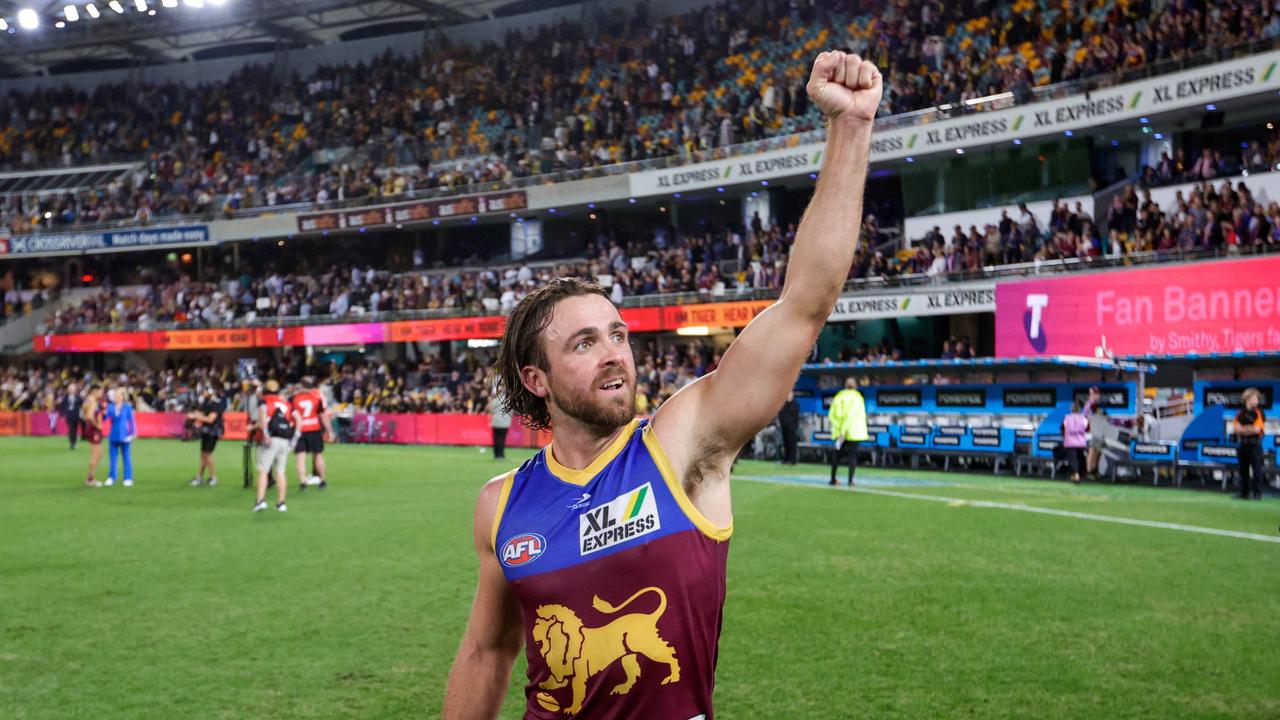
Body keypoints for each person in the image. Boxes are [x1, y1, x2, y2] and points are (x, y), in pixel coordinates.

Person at [443, 50, 882, 720]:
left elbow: (805, 303)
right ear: (537, 379)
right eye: (585, 343)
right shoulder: (500, 506)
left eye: (618, 334)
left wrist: (850, 130)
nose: (615, 353)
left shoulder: (683, 442)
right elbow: (486, 652)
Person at [254, 380, 293, 513]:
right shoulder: (285, 403)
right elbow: (296, 419)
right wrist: (295, 438)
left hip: (271, 439)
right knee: (281, 472)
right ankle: (281, 503)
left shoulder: (264, 400)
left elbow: (262, 419)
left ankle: (260, 501)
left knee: (263, 471)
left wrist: (265, 434)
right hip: (284, 439)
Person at [291, 377, 335, 490]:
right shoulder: (316, 398)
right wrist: (330, 431)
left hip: (299, 429)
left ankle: (303, 483)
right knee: (318, 455)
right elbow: (323, 415)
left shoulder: (294, 398)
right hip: (314, 428)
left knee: (300, 457)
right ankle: (322, 480)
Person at [828, 377, 868, 485]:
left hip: (839, 433)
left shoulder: (839, 396)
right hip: (853, 433)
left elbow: (831, 415)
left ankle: (832, 479)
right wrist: (844, 431)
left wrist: (840, 430)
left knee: (837, 455)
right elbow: (851, 416)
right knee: (852, 456)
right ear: (855, 385)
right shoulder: (857, 397)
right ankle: (850, 480)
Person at [188, 384, 226, 487]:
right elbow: (202, 414)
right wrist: (196, 414)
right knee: (203, 455)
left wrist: (197, 416)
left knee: (208, 455)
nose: (202, 394)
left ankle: (213, 478)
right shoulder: (206, 402)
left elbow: (211, 419)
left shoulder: (215, 403)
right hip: (206, 430)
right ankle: (199, 477)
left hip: (213, 431)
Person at [1233, 388, 1266, 500]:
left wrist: (1244, 429)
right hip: (1243, 445)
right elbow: (1236, 429)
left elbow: (1257, 429)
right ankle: (1244, 492)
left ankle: (1257, 493)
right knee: (1243, 470)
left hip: (1255, 445)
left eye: (1257, 398)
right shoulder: (1240, 413)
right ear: (1248, 399)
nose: (1256, 400)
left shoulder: (1259, 412)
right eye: (1254, 398)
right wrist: (1248, 429)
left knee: (1257, 470)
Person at [104, 385, 136, 487]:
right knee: (112, 458)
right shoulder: (110, 407)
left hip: (124, 436)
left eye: (118, 395)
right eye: (115, 395)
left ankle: (128, 478)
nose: (116, 397)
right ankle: (112, 477)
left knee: (126, 457)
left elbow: (131, 421)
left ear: (122, 396)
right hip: (113, 435)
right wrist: (102, 412)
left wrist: (132, 434)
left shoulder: (127, 407)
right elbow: (105, 418)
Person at [81, 385, 105, 487]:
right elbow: (89, 416)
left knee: (99, 453)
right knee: (96, 454)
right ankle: (90, 479)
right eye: (100, 391)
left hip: (90, 429)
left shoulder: (88, 400)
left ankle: (91, 477)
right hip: (93, 430)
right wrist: (98, 425)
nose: (102, 394)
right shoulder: (93, 401)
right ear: (95, 391)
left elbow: (84, 413)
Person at [1061, 400, 1090, 484]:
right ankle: (1075, 476)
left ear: (1072, 409)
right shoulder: (1084, 418)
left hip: (1069, 442)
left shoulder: (1066, 417)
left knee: (1072, 460)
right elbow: (1087, 429)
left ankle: (1075, 475)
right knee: (1079, 460)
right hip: (1081, 443)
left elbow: (1062, 429)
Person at [490, 374, 512, 460]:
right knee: (502, 439)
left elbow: (491, 410)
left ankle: (496, 454)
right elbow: (512, 411)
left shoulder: (495, 400)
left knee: (496, 439)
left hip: (495, 422)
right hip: (504, 422)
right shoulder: (509, 400)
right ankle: (501, 455)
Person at [778, 390, 800, 464]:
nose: (788, 396)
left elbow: (795, 417)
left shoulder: (795, 405)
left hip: (792, 429)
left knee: (792, 445)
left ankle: (792, 460)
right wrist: (783, 424)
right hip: (784, 428)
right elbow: (781, 416)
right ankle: (786, 459)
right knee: (786, 444)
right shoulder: (783, 405)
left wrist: (791, 426)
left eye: (790, 394)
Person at [60, 382, 83, 451]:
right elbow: (62, 406)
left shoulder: (78, 397)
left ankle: (74, 441)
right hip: (69, 414)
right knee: (71, 429)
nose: (71, 390)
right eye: (70, 389)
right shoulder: (66, 397)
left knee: (75, 429)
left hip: (76, 415)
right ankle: (71, 442)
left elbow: (82, 404)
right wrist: (62, 414)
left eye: (72, 389)